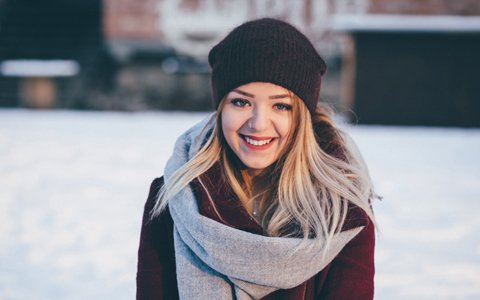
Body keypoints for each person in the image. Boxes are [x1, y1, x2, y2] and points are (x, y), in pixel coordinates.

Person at [136, 18, 377, 300]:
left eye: (281, 106)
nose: (259, 123)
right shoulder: (173, 197)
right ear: (220, 108)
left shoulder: (341, 210)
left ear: (301, 117)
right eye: (241, 102)